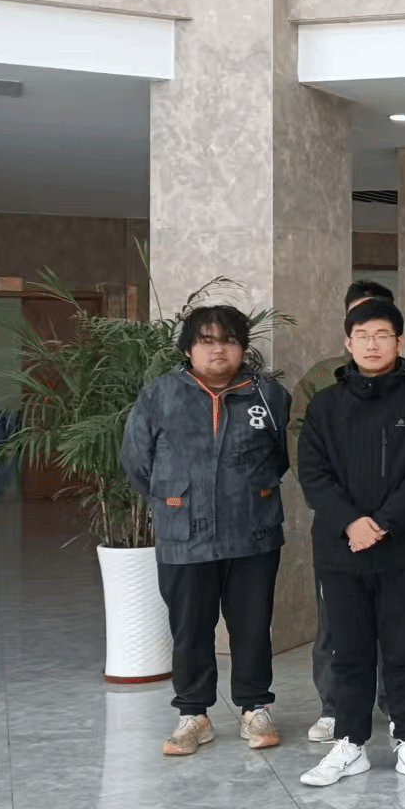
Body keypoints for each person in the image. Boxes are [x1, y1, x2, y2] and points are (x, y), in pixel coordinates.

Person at [121, 305, 291, 756]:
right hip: (184, 535)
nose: (218, 350)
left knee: (252, 626)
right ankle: (193, 714)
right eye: (207, 340)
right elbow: (137, 463)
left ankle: (255, 707)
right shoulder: (159, 395)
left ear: (243, 347)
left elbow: (281, 458)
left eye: (229, 340)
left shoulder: (268, 396)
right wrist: (176, 498)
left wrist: (248, 492)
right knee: (190, 628)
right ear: (188, 348)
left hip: (252, 531)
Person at [296, 300, 405, 787]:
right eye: (362, 335)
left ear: (400, 342)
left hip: (403, 549)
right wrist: (351, 523)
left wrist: (382, 522)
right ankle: (351, 743)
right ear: (347, 343)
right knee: (349, 650)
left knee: (403, 649)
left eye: (382, 335)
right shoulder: (325, 404)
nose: (372, 344)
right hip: (341, 549)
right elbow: (313, 472)